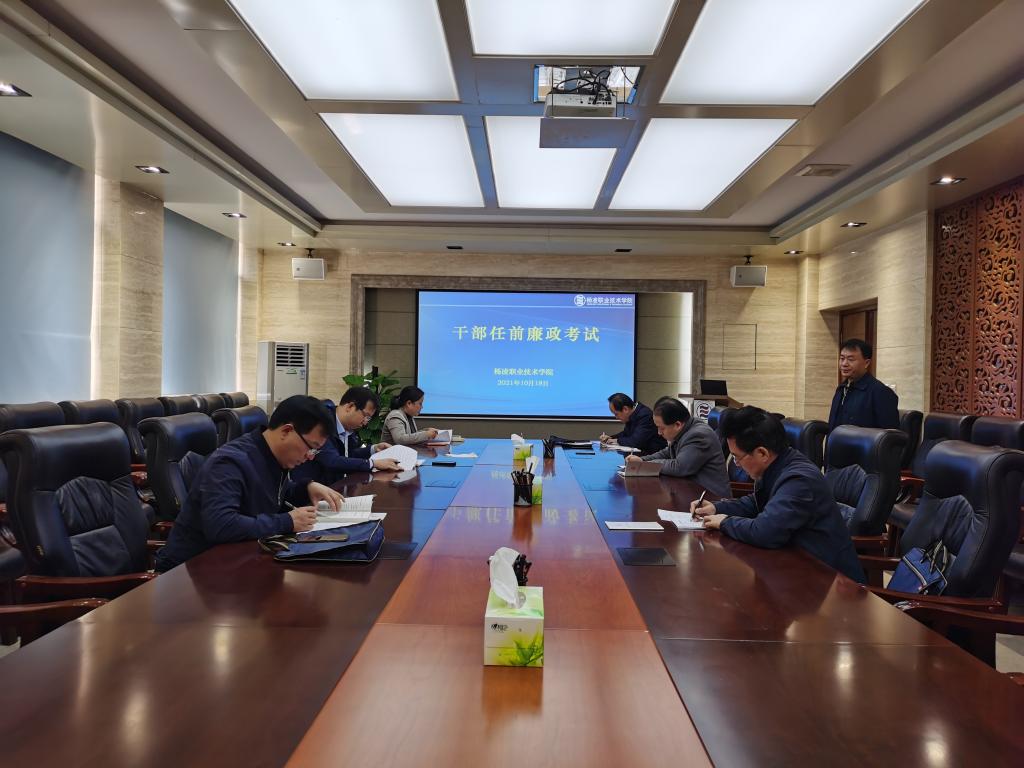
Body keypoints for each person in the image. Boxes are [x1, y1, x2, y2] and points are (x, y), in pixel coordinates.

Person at [155, 395, 345, 572]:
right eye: (311, 448)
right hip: (191, 572)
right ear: (286, 431)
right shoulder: (230, 463)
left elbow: (270, 495)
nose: (310, 457)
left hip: (236, 562)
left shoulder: (271, 455)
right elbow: (222, 525)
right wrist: (287, 521)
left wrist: (307, 487)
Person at [691, 406, 865, 583]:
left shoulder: (799, 480)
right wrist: (716, 508)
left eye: (737, 457)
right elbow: (757, 503)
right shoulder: (778, 466)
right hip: (798, 568)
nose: (736, 464)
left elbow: (765, 532)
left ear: (762, 453)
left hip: (832, 581)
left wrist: (725, 522)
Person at [291, 386, 401, 486]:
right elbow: (332, 461)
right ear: (350, 406)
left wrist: (373, 449)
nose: (365, 422)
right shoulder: (323, 422)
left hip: (334, 488)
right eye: (366, 416)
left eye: (368, 418)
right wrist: (372, 463)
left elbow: (348, 455)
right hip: (309, 491)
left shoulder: (349, 428)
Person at [626, 398, 730, 498]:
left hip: (711, 499)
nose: (659, 433)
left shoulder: (698, 435)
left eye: (661, 428)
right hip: (692, 491)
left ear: (677, 424)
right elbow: (667, 452)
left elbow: (679, 467)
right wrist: (642, 460)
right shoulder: (686, 429)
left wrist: (648, 465)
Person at [828, 338, 899, 431]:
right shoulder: (841, 388)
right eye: (842, 358)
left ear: (866, 363)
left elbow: (890, 435)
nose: (844, 364)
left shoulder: (880, 392)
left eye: (850, 359)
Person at [599, 393, 666, 454]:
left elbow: (636, 441)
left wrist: (616, 440)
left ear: (625, 409)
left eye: (616, 414)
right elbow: (626, 433)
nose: (616, 417)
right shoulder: (633, 414)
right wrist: (610, 438)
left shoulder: (645, 415)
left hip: (653, 457)